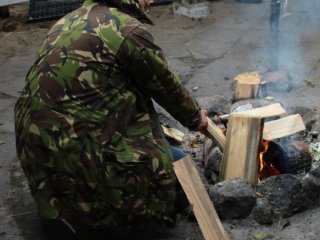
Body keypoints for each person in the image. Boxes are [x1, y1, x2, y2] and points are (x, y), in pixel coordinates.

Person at [14, 0, 208, 229]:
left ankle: (67, 206)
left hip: (39, 154)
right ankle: (112, 216)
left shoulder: (67, 20)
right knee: (175, 161)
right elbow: (165, 87)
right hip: (81, 158)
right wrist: (197, 118)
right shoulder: (128, 31)